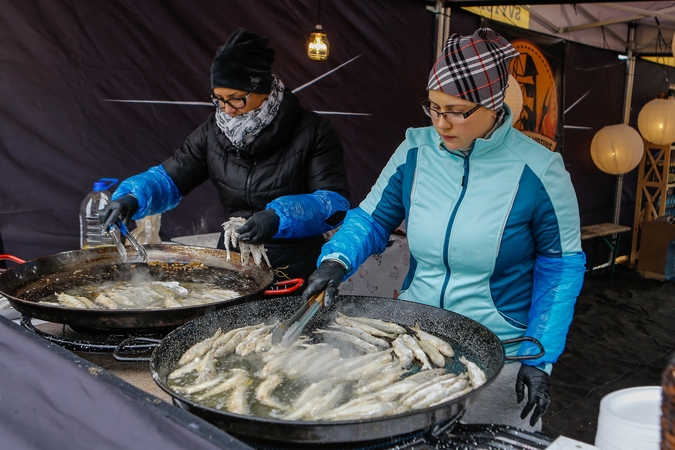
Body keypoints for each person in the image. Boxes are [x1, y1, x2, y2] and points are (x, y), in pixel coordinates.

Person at [301, 28, 586, 431]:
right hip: (416, 338)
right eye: (433, 107)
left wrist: (542, 358)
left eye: (456, 110)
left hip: (498, 351)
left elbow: (561, 268)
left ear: (493, 104)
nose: (440, 123)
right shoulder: (414, 151)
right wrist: (335, 260)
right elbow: (371, 218)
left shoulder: (540, 171)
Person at [100, 28, 350, 282]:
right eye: (218, 99)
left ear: (263, 89)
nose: (227, 110)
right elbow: (171, 177)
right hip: (233, 260)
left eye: (236, 99)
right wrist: (133, 197)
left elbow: (333, 204)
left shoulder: (314, 131)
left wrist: (278, 217)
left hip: (294, 267)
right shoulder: (214, 131)